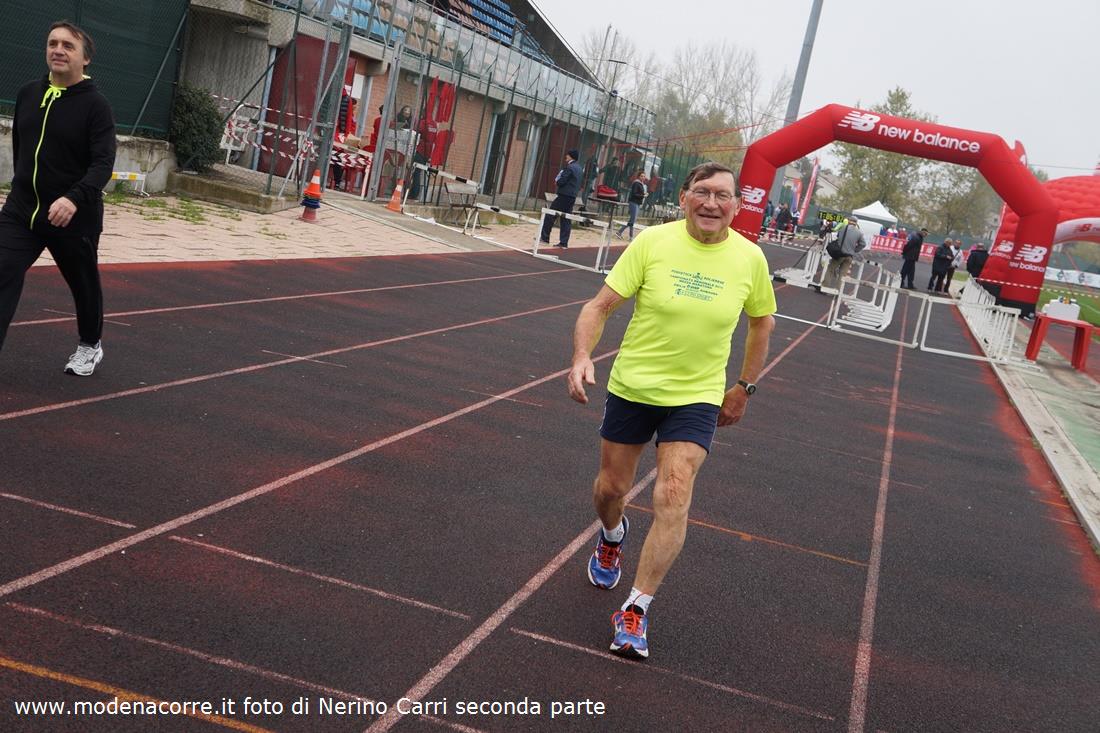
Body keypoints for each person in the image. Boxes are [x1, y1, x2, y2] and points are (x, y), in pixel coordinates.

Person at [567, 162, 777, 660]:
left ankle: (635, 609)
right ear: (683, 198)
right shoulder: (653, 243)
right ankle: (612, 536)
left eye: (722, 195)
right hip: (635, 387)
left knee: (674, 492)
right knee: (611, 489)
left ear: (737, 206)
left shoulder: (749, 258)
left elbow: (762, 322)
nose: (711, 203)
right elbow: (599, 306)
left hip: (697, 396)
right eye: (702, 192)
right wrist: (581, 356)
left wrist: (744, 387)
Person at [0, 20, 116, 374]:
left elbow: (102, 164)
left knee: (83, 285)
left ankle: (90, 345)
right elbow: (22, 148)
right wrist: (21, 188)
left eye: (68, 45)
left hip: (72, 217)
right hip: (22, 211)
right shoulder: (28, 94)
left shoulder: (96, 106)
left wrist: (73, 198)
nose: (58, 50)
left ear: (85, 59)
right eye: (53, 43)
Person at [540, 149, 581, 248]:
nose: (566, 156)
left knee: (550, 215)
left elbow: (562, 181)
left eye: (567, 155)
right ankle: (563, 242)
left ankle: (545, 238)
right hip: (572, 196)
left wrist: (557, 182)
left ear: (571, 156)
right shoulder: (579, 168)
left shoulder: (569, 167)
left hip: (564, 196)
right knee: (566, 219)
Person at [821, 217, 866, 292]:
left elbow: (838, 237)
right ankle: (838, 291)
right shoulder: (859, 233)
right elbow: (863, 244)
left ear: (848, 221)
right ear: (856, 223)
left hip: (840, 254)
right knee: (842, 274)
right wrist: (854, 250)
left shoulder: (843, 228)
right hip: (849, 256)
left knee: (831, 269)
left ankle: (824, 287)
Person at [615, 170, 647, 240]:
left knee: (632, 220)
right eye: (641, 176)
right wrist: (643, 196)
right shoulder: (636, 183)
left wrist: (643, 194)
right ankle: (629, 236)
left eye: (644, 176)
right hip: (633, 202)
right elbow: (634, 194)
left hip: (637, 203)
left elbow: (639, 193)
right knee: (632, 220)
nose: (643, 177)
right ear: (638, 176)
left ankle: (621, 233)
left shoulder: (641, 184)